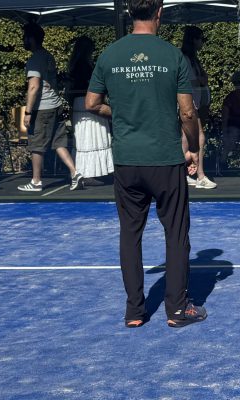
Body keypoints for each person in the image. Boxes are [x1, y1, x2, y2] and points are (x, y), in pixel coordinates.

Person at [85, 0, 207, 328]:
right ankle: (177, 310)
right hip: (166, 160)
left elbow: (92, 103)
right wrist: (194, 148)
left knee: (130, 234)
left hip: (127, 161)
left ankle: (134, 312)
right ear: (159, 12)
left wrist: (120, 112)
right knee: (176, 234)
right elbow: (187, 112)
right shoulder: (172, 55)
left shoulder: (110, 55)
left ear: (129, 13)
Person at [18, 22, 83, 192]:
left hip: (43, 108)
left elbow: (34, 87)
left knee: (36, 145)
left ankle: (36, 182)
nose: (23, 40)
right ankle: (75, 173)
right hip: (56, 105)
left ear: (31, 39)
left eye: (25, 37)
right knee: (58, 143)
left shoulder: (34, 60)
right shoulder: (48, 55)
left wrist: (28, 112)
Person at [67, 36, 114, 186]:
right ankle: (88, 172)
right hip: (88, 101)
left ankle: (89, 171)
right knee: (91, 135)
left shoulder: (76, 65)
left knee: (87, 136)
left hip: (80, 102)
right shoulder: (83, 66)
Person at [181, 26, 217, 189]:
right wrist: (201, 80)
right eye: (201, 39)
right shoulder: (185, 58)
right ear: (193, 40)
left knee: (187, 136)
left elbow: (203, 78)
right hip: (189, 103)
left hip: (196, 101)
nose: (202, 43)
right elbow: (188, 81)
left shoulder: (193, 59)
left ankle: (185, 173)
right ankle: (200, 175)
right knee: (197, 136)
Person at [220, 70, 240, 169]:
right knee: (232, 135)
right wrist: (224, 131)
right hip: (233, 126)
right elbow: (225, 117)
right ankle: (223, 162)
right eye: (238, 83)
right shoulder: (230, 98)